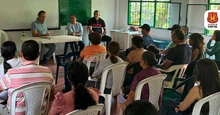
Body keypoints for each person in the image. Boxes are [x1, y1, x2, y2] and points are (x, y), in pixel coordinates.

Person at [0, 40, 55, 115]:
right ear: (39, 54)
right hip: (39, 112)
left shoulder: (11, 73)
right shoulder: (47, 72)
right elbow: (51, 96)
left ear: (21, 54)